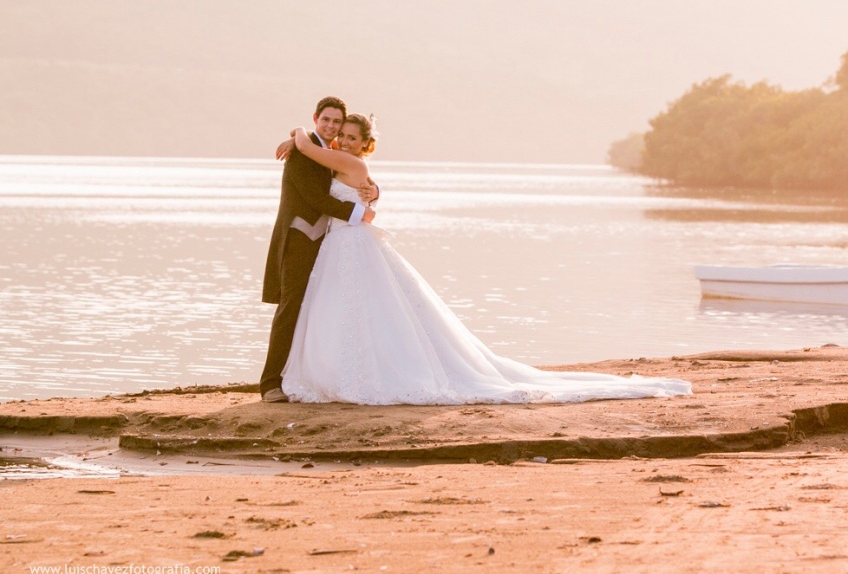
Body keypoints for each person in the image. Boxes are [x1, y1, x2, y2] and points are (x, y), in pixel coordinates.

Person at [278, 114, 693, 405]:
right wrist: (373, 191)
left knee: (358, 307)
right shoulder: (354, 166)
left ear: (362, 144)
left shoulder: (346, 160)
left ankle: (359, 373)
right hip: (343, 243)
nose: (344, 140)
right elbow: (343, 179)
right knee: (358, 309)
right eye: (341, 134)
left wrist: (298, 132)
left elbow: (309, 151)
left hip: (351, 243)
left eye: (351, 136)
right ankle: (348, 369)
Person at [259, 97, 378, 403]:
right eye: (326, 120)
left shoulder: (331, 149)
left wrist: (375, 192)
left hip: (324, 243)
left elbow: (357, 176)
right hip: (298, 240)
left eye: (337, 122)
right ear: (315, 118)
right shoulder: (302, 151)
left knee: (315, 309)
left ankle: (297, 375)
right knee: (290, 308)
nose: (332, 127)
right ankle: (270, 383)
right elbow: (315, 198)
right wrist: (358, 214)